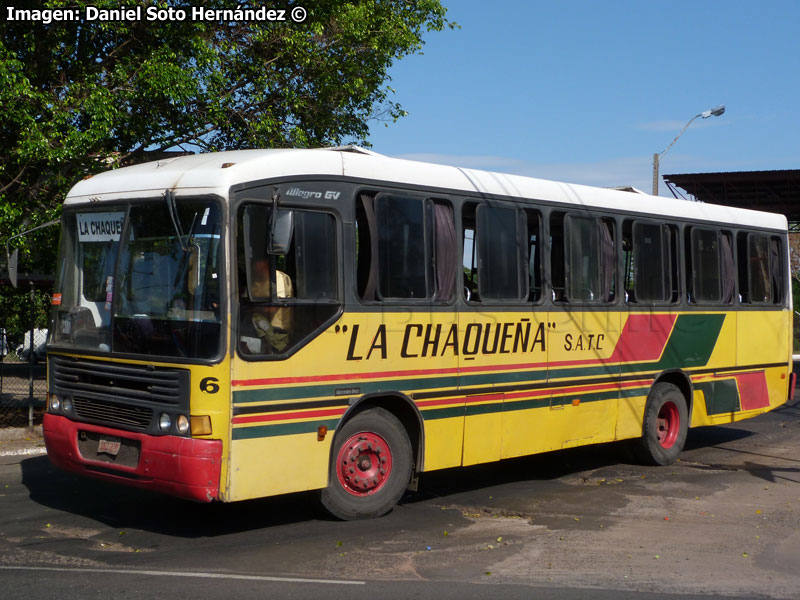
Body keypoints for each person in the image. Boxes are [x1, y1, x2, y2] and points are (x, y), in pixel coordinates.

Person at [245, 259, 293, 353]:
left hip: (278, 333)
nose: (253, 265)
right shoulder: (255, 281)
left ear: (265, 262)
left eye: (256, 261)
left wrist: (252, 308)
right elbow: (244, 303)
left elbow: (272, 308)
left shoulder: (278, 278)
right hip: (258, 330)